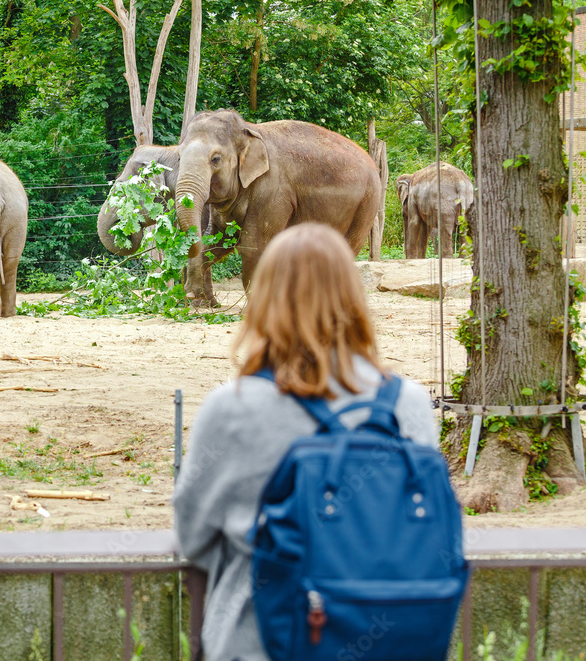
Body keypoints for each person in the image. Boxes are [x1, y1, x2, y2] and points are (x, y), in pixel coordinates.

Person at [173, 223, 438, 661]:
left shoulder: (232, 406)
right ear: (355, 298)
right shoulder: (407, 403)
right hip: (390, 638)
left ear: (264, 298)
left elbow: (193, 535)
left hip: (259, 639)